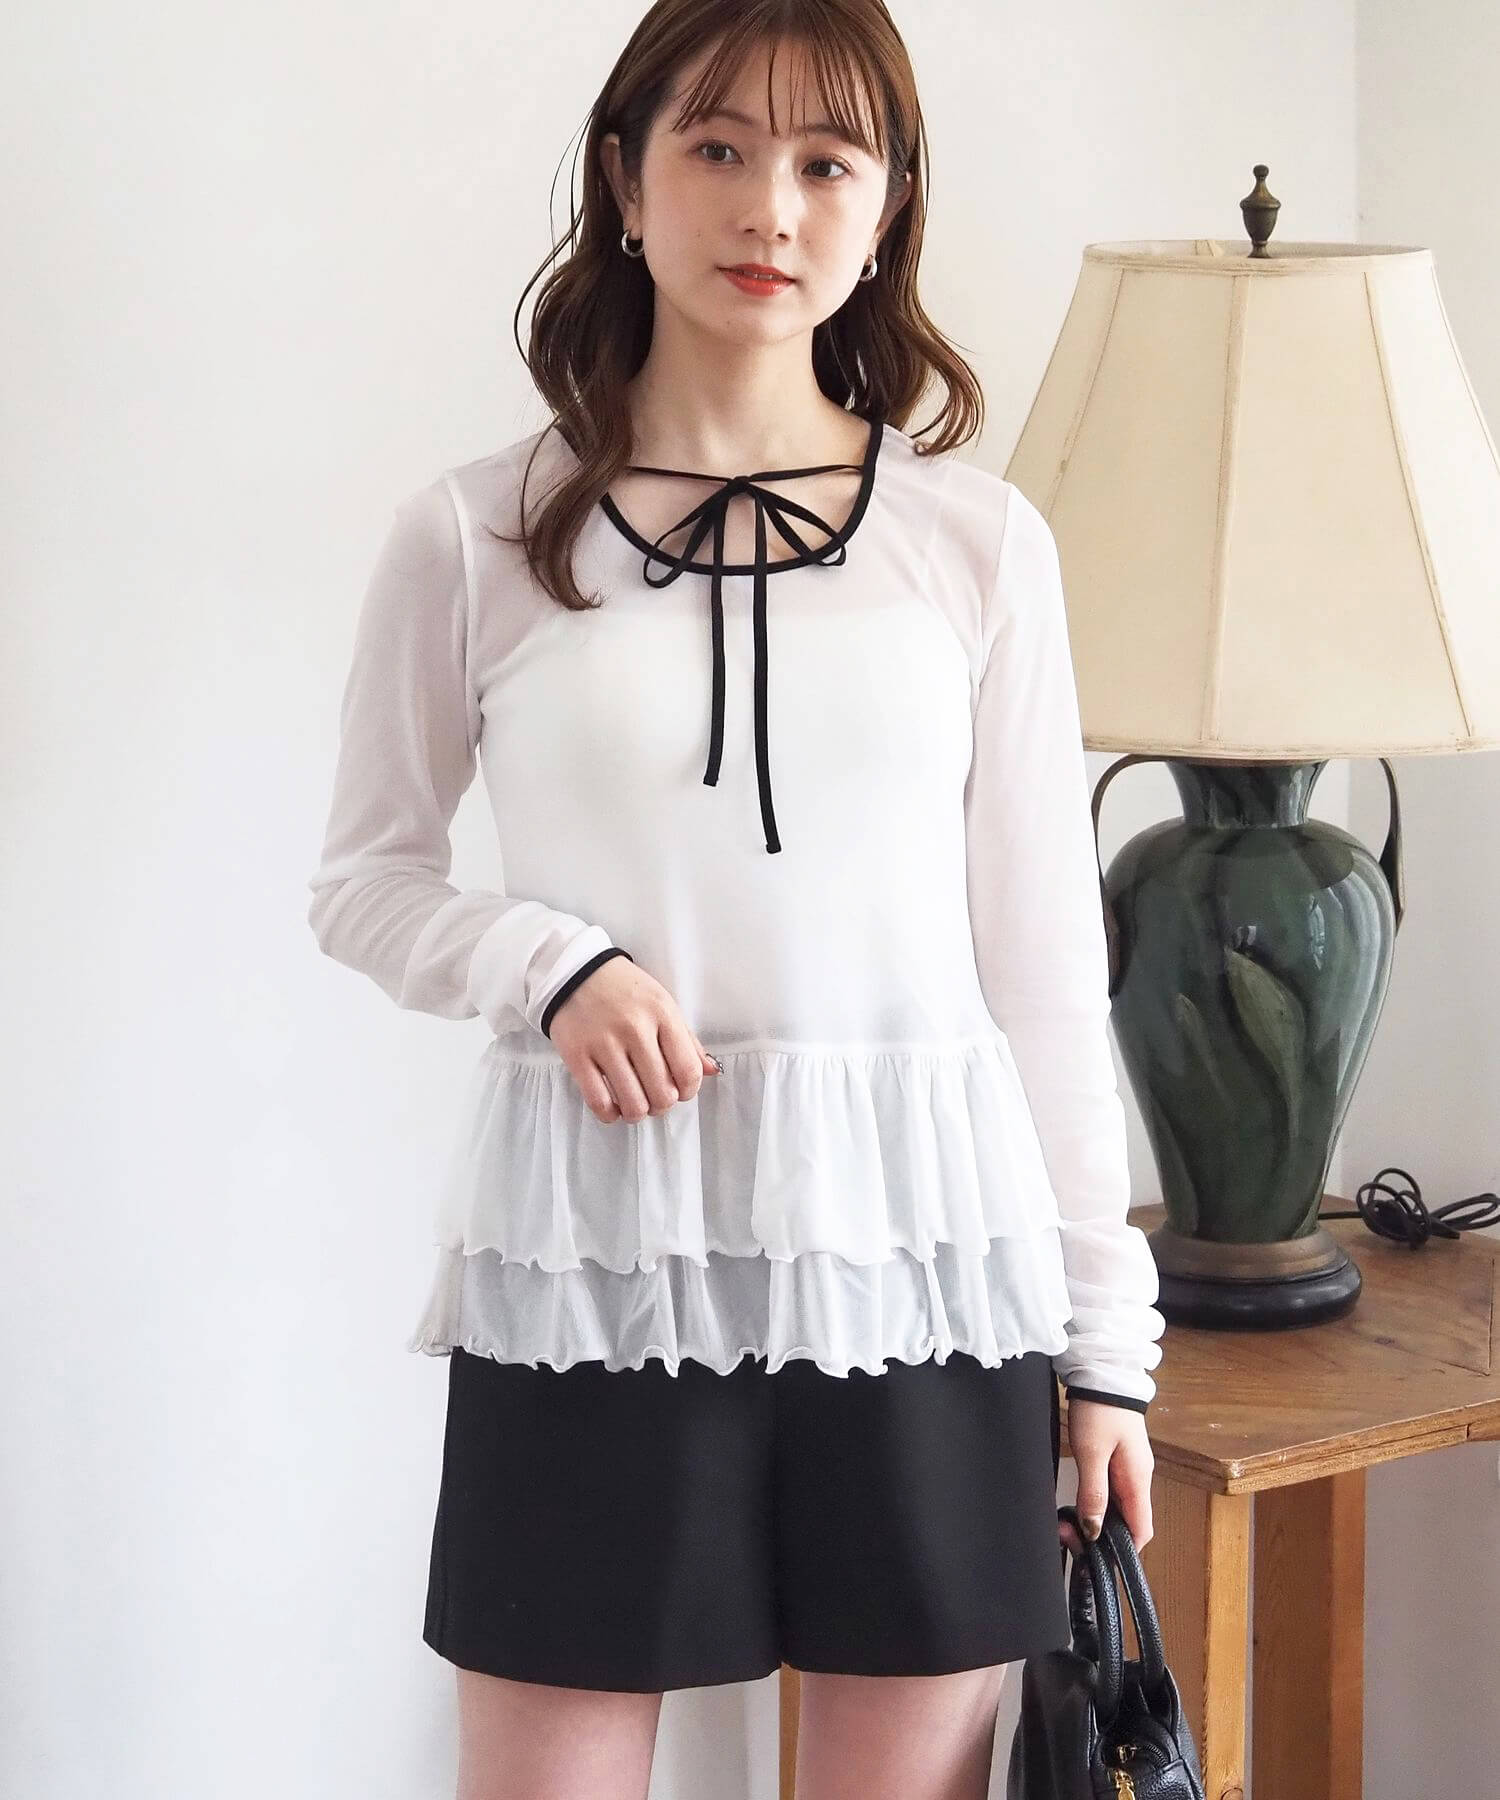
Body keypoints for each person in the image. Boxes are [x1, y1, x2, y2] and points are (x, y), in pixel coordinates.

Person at [306, 3, 1165, 1796]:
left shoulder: (978, 545)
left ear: (885, 209)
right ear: (625, 183)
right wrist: (545, 962)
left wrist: (1108, 1349)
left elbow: (1044, 974)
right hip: (599, 1263)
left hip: (925, 1268)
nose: (770, 205)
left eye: (826, 161)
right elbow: (367, 882)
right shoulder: (476, 534)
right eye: (717, 148)